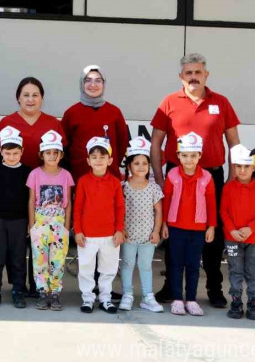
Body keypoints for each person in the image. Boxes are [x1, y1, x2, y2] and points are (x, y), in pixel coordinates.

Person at [151, 53, 240, 309]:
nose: (193, 77)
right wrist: (159, 178)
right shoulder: (169, 102)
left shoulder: (221, 102)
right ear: (181, 76)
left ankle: (214, 288)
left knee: (213, 233)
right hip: (176, 177)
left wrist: (233, 179)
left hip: (211, 177)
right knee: (173, 233)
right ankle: (171, 288)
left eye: (198, 72)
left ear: (206, 75)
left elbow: (234, 143)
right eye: (188, 73)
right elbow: (156, 143)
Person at [0, 77, 66, 297]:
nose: (30, 99)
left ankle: (37, 285)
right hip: (13, 190)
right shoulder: (7, 123)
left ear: (42, 98)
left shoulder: (53, 123)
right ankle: (16, 285)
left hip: (45, 194)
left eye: (35, 95)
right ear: (18, 98)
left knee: (40, 237)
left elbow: (63, 160)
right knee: (16, 241)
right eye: (26, 95)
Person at [161, 132, 216, 316]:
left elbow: (211, 203)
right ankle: (177, 299)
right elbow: (166, 200)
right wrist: (164, 224)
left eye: (193, 155)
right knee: (176, 264)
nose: (189, 159)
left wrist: (211, 226)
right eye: (184, 155)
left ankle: (191, 299)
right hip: (176, 227)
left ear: (200, 155)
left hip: (198, 229)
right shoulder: (172, 175)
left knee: (193, 265)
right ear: (178, 156)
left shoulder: (207, 177)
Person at [73, 137, 125, 314]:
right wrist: (78, 230)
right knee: (86, 268)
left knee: (108, 269)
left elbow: (120, 207)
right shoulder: (83, 181)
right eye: (94, 157)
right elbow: (78, 207)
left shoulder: (115, 182)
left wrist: (119, 230)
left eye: (102, 156)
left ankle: (105, 298)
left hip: (110, 235)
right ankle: (87, 298)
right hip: (87, 236)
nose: (98, 160)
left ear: (110, 160)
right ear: (88, 160)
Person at [0, 126, 31, 309]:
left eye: (15, 153)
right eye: (7, 153)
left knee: (18, 257)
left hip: (19, 221)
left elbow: (30, 199)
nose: (11, 157)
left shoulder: (27, 171)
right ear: (1, 152)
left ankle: (18, 290)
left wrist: (29, 222)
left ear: (22, 152)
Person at [26, 130, 74, 311]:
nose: (52, 156)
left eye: (55, 152)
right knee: (40, 260)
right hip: (40, 224)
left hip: (59, 225)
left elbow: (68, 202)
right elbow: (31, 200)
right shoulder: (35, 174)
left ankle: (55, 292)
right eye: (48, 152)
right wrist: (32, 225)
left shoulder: (66, 175)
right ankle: (42, 291)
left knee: (58, 259)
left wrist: (67, 226)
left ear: (61, 154)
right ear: (41, 154)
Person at [222, 144, 255, 321]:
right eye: (238, 166)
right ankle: (236, 301)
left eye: (246, 166)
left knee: (252, 271)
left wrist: (250, 228)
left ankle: (252, 303)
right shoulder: (228, 188)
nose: (242, 170)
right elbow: (224, 212)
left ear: (253, 167)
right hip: (232, 239)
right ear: (234, 167)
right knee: (235, 270)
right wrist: (232, 230)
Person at [119, 137, 165, 313]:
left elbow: (159, 211)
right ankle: (127, 294)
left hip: (148, 236)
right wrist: (121, 229)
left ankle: (147, 296)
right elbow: (119, 211)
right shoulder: (123, 187)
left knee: (145, 265)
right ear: (129, 166)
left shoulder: (154, 188)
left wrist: (156, 231)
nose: (140, 166)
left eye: (144, 163)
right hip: (128, 236)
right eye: (136, 163)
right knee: (127, 264)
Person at [62, 65, 128, 182]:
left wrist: (106, 163)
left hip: (109, 178)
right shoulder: (71, 113)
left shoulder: (115, 112)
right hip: (79, 177)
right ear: (81, 84)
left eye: (98, 80)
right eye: (88, 80)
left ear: (104, 84)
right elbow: (64, 146)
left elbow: (122, 144)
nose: (93, 85)